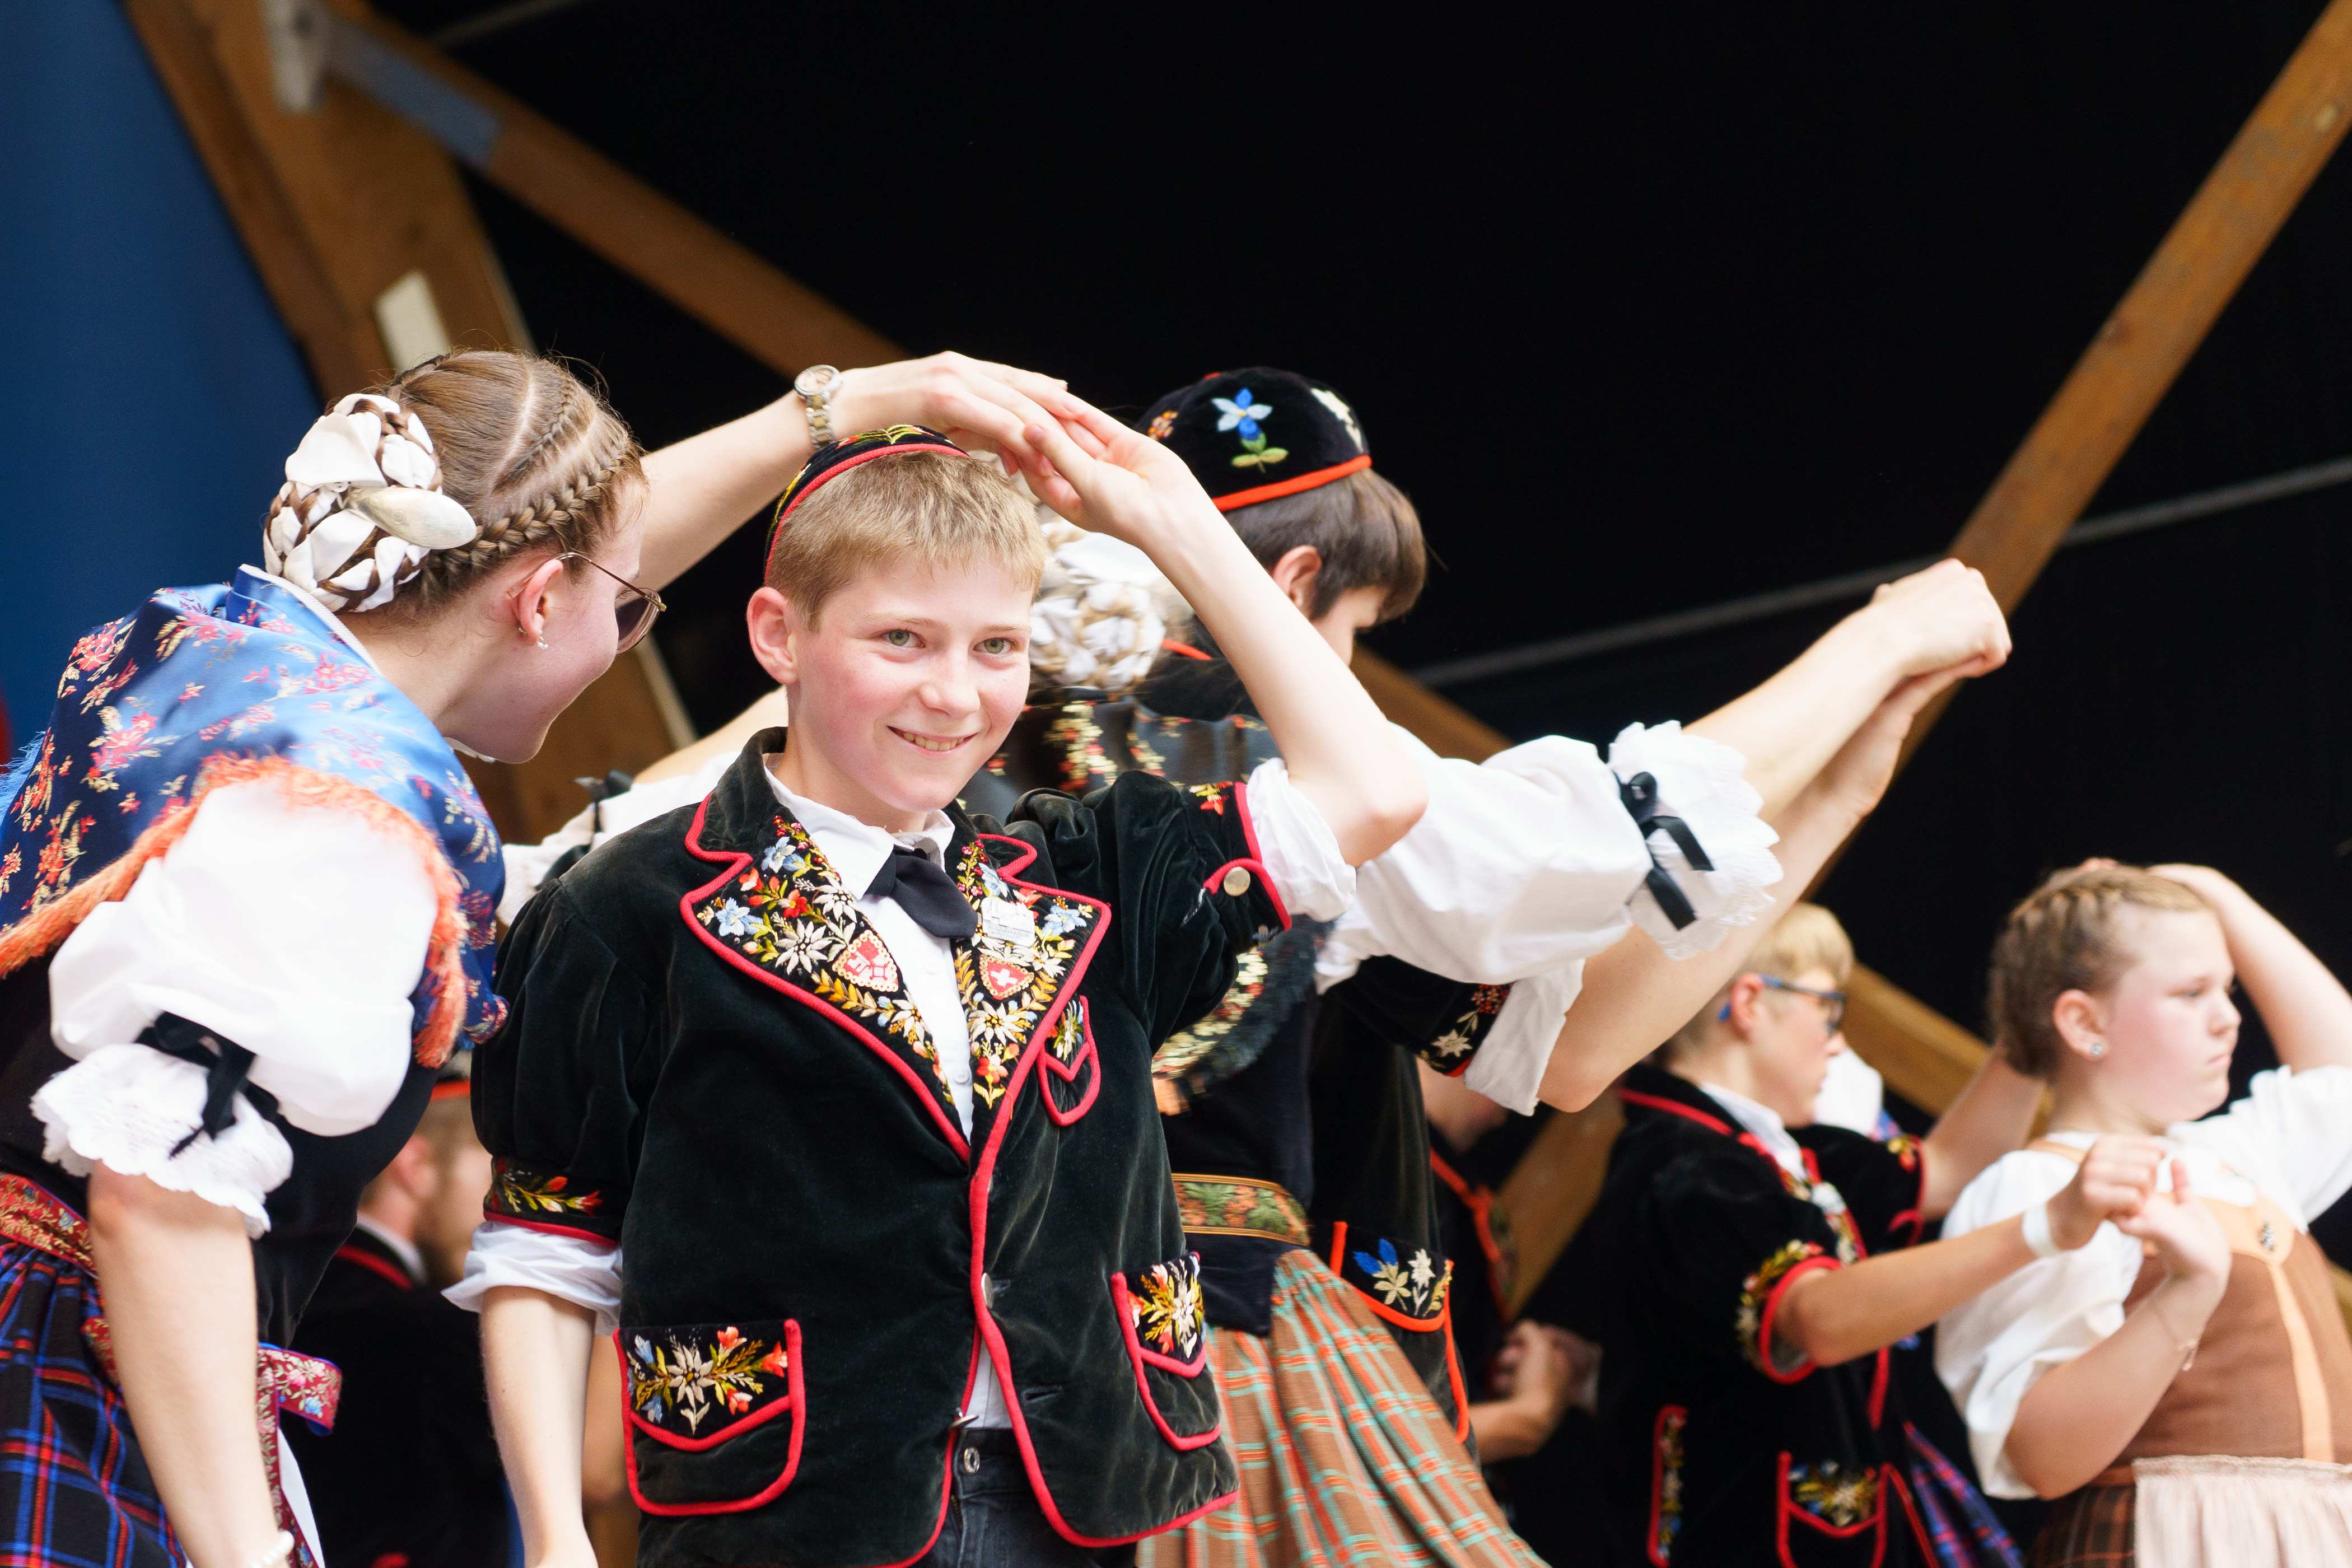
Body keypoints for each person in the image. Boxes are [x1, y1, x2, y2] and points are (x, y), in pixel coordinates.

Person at [0, 342, 1082, 1568]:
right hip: (80, 1374)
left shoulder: (223, 658)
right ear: (537, 598)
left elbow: (544, 560)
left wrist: (830, 415)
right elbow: (162, 1201)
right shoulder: (331, 809)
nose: (623, 636)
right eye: (624, 609)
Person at [971, 366, 2017, 1566]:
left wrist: (1850, 771)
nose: (1351, 680)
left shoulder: (1098, 740)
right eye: (1357, 637)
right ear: (1297, 586)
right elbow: (1554, 853)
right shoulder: (1214, 739)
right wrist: (1878, 640)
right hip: (1166, 1337)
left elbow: (1568, 1045)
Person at [455, 407, 1431, 1568]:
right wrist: (557, 1538)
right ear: (779, 634)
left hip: (1075, 1499)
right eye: (903, 639)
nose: (957, 694)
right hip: (785, 1511)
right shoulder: (629, 903)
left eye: (999, 648)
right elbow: (546, 1243)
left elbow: (1375, 786)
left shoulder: (1084, 870)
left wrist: (1172, 518)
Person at [1567, 901, 2098, 1567]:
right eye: (1828, 1010)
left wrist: (2038, 984)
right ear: (1751, 1002)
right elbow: (1817, 1316)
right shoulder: (1688, 1169)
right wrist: (2047, 1227)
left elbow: (1950, 1170)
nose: (1838, 1042)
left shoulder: (1783, 1156)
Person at [1934, 865, 2352, 1566]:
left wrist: (2211, 887)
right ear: (2083, 1021)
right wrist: (2183, 1297)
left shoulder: (2236, 1156)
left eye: (2229, 987)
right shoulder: (2039, 1188)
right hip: (2174, 1542)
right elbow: (2042, 1456)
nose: (2229, 1016)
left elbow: (2342, 1076)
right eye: (2191, 993)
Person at [284, 1060, 506, 1568]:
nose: (504, 1205)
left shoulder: (299, 1293)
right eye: (495, 1170)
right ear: (417, 1166)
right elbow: (595, 1472)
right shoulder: (424, 1326)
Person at [1420, 1062, 1592, 1466]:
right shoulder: (1407, 1181)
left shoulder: (1441, 1180)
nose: (1505, 1114)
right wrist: (1523, 1419)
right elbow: (1364, 1418)